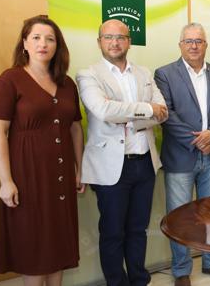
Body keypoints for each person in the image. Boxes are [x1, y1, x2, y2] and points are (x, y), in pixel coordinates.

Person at [0, 15, 84, 286]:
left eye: (50, 39)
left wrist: (80, 169)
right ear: (25, 44)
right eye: (36, 38)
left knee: (58, 242)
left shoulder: (67, 84)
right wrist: (6, 181)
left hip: (61, 175)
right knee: (33, 245)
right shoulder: (10, 80)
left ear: (58, 46)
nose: (43, 44)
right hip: (26, 175)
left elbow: (75, 128)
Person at [76, 19, 167, 285]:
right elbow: (103, 111)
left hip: (144, 163)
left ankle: (139, 279)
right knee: (113, 232)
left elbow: (163, 112)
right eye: (108, 37)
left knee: (138, 229)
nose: (114, 42)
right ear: (99, 42)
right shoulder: (87, 74)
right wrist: (146, 109)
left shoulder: (144, 73)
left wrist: (126, 113)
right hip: (110, 167)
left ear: (129, 41)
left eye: (120, 37)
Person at [154, 23, 210, 286]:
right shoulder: (165, 74)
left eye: (199, 41)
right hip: (181, 156)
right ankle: (181, 269)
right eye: (188, 41)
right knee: (180, 216)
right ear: (180, 45)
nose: (194, 46)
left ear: (206, 45)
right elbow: (167, 114)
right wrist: (198, 141)